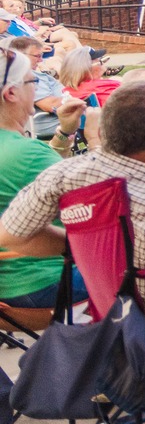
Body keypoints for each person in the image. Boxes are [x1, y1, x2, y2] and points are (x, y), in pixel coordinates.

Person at [0, 80, 145, 348]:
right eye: (32, 80)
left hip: (109, 312)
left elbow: (9, 234)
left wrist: (86, 249)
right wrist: (78, 248)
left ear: (105, 128)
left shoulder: (61, 176)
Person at [0, 49, 73, 331]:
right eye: (32, 82)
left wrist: (64, 133)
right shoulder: (27, 154)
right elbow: (101, 202)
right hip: (42, 284)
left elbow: (44, 179)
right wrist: (95, 139)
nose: (37, 90)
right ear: (11, 93)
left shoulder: (24, 153)